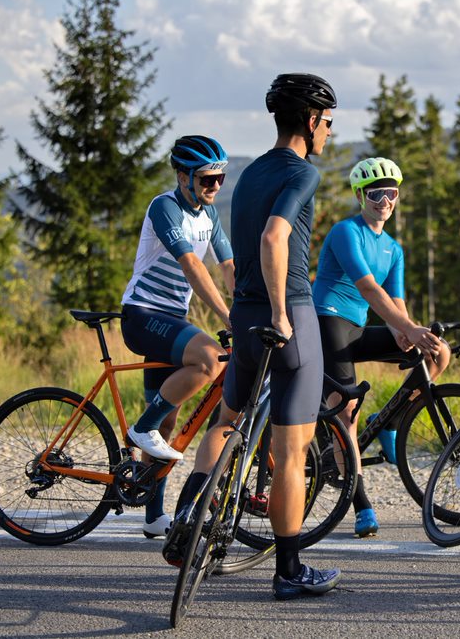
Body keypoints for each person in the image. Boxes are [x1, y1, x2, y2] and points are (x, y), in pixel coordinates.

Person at [168, 73, 341, 600]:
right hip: (288, 312)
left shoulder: (249, 174)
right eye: (328, 123)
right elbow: (273, 236)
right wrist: (282, 313)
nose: (329, 132)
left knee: (228, 418)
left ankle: (187, 514)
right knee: (292, 452)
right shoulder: (302, 173)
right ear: (310, 122)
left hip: (242, 317)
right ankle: (289, 570)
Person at [312, 157, 448, 538]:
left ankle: (387, 420)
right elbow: (368, 288)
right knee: (345, 414)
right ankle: (361, 505)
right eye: (375, 193)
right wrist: (405, 327)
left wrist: (405, 330)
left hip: (358, 328)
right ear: (360, 195)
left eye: (391, 192)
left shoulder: (393, 248)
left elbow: (395, 302)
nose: (384, 200)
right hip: (328, 321)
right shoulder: (345, 232)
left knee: (438, 352)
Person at [120, 135, 235, 538]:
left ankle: (153, 516)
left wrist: (255, 306)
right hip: (143, 316)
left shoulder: (209, 215)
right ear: (183, 176)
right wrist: (227, 315)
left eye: (220, 178)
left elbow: (228, 266)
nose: (215, 186)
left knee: (168, 421)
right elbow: (191, 265)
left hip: (171, 319)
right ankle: (139, 429)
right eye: (207, 180)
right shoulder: (165, 207)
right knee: (209, 360)